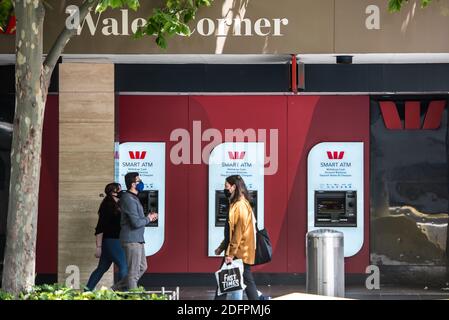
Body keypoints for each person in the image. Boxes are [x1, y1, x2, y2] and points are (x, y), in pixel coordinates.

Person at [214, 175, 259, 300]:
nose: (225, 189)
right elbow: (230, 231)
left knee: (223, 281)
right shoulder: (236, 204)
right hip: (239, 251)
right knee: (246, 282)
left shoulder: (240, 205)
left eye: (226, 186)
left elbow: (238, 232)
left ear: (234, 187)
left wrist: (231, 254)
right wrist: (221, 247)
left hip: (239, 252)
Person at [86, 183, 128, 291]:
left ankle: (87, 291)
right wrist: (98, 247)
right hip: (113, 242)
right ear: (113, 192)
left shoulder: (117, 205)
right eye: (119, 189)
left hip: (110, 243)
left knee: (101, 268)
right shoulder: (107, 207)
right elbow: (100, 228)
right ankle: (123, 294)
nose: (121, 192)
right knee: (124, 266)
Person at [120, 172, 158, 290]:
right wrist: (149, 218)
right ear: (132, 184)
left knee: (142, 267)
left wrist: (147, 217)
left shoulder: (133, 198)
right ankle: (134, 296)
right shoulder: (128, 199)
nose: (141, 183)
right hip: (131, 240)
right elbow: (135, 223)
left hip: (137, 239)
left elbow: (136, 219)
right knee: (134, 272)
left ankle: (114, 289)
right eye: (138, 181)